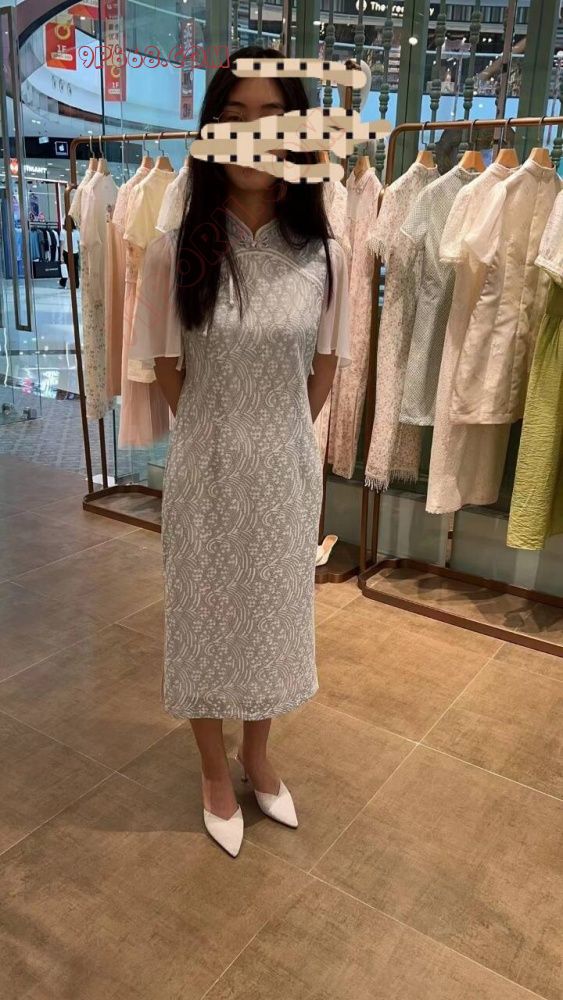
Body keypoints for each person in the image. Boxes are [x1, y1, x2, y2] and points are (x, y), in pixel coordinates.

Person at [130, 46, 351, 857]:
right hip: (207, 464)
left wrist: (276, 434)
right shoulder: (175, 251)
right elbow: (166, 365)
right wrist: (219, 430)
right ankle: (210, 770)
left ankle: (257, 756)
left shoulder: (324, 255)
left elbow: (323, 368)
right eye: (233, 119)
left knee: (273, 613)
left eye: (272, 118)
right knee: (202, 613)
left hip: (285, 467)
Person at [59, 216, 79, 289]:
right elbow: (78, 242)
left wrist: (61, 255)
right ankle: (76, 283)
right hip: (75, 252)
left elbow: (62, 244)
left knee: (67, 269)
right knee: (75, 269)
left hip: (67, 252)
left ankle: (65, 283)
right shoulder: (76, 232)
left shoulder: (63, 232)